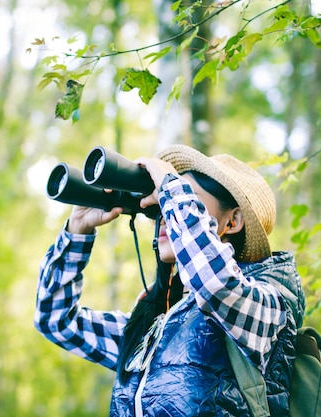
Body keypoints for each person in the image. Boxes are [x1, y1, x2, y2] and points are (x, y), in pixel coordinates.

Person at [34, 144, 306, 416]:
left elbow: (216, 285)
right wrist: (78, 231)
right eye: (162, 206)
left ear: (233, 222)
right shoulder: (155, 326)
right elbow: (56, 320)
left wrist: (170, 187)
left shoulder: (270, 303)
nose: (165, 216)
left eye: (189, 199)